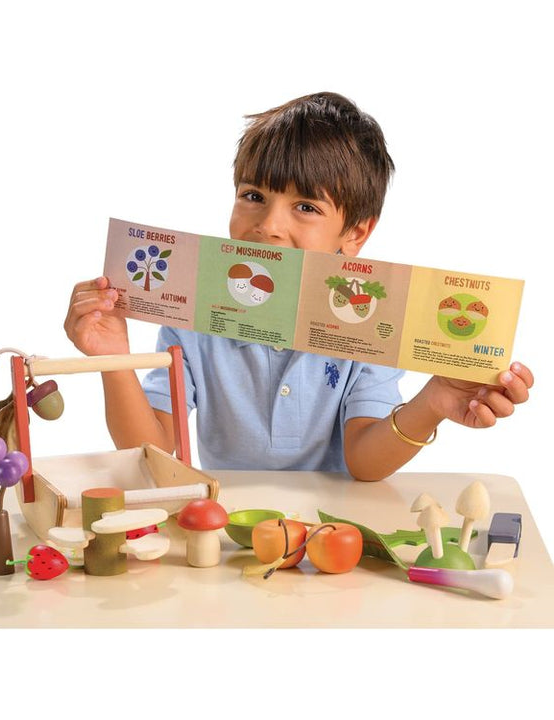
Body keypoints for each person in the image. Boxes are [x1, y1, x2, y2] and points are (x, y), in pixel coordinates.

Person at [64, 92, 533, 481]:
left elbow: (365, 463)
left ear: (355, 234)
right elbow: (153, 452)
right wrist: (114, 358)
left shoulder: (369, 323)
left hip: (334, 531)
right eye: (253, 196)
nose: (268, 226)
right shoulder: (195, 320)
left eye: (306, 207)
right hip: (227, 526)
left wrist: (432, 403)